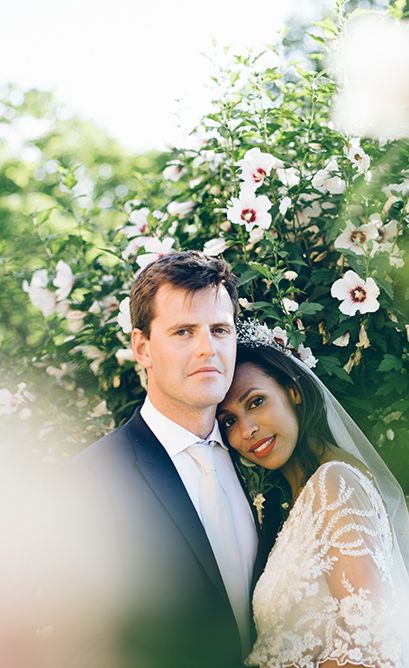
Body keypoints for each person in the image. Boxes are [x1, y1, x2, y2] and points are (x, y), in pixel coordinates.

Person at [58, 252, 277, 668]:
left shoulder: (266, 457)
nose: (207, 349)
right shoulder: (91, 482)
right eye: (183, 332)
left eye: (219, 329)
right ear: (142, 347)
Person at [217, 323, 409, 668]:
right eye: (228, 421)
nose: (246, 430)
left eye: (255, 402)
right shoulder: (300, 500)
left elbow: (370, 646)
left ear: (293, 391)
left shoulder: (335, 484)